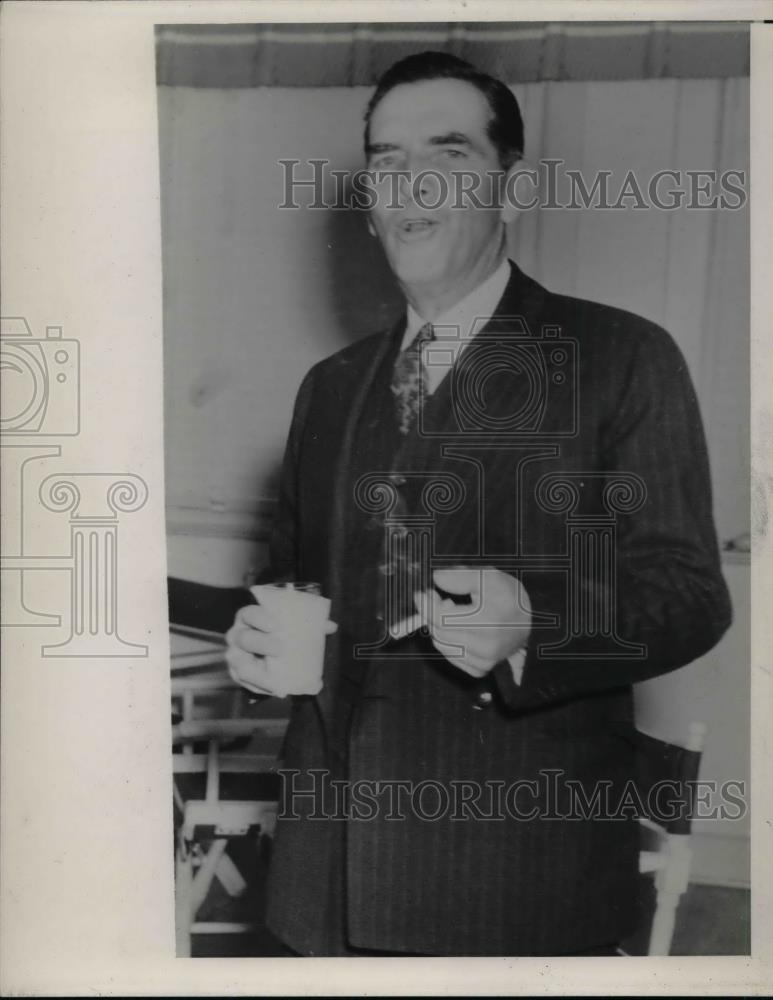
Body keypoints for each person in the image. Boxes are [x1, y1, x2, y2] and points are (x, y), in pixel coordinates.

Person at [225, 51, 732, 956]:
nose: (408, 183)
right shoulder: (330, 386)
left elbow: (689, 591)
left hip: (510, 873)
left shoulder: (620, 355)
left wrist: (535, 620)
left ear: (511, 187)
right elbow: (286, 577)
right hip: (322, 877)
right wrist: (259, 639)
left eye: (447, 154)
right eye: (385, 160)